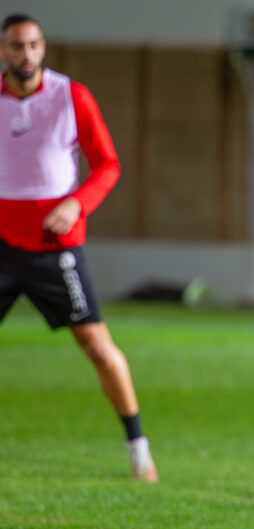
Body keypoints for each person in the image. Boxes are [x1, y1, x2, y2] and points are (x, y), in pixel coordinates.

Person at [0, 14, 156, 482]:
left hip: (55, 248)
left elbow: (108, 164)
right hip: (3, 245)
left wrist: (77, 204)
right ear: (4, 51)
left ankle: (138, 448)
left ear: (43, 48)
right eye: (16, 46)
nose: (26, 53)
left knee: (97, 346)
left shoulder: (71, 96)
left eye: (33, 44)